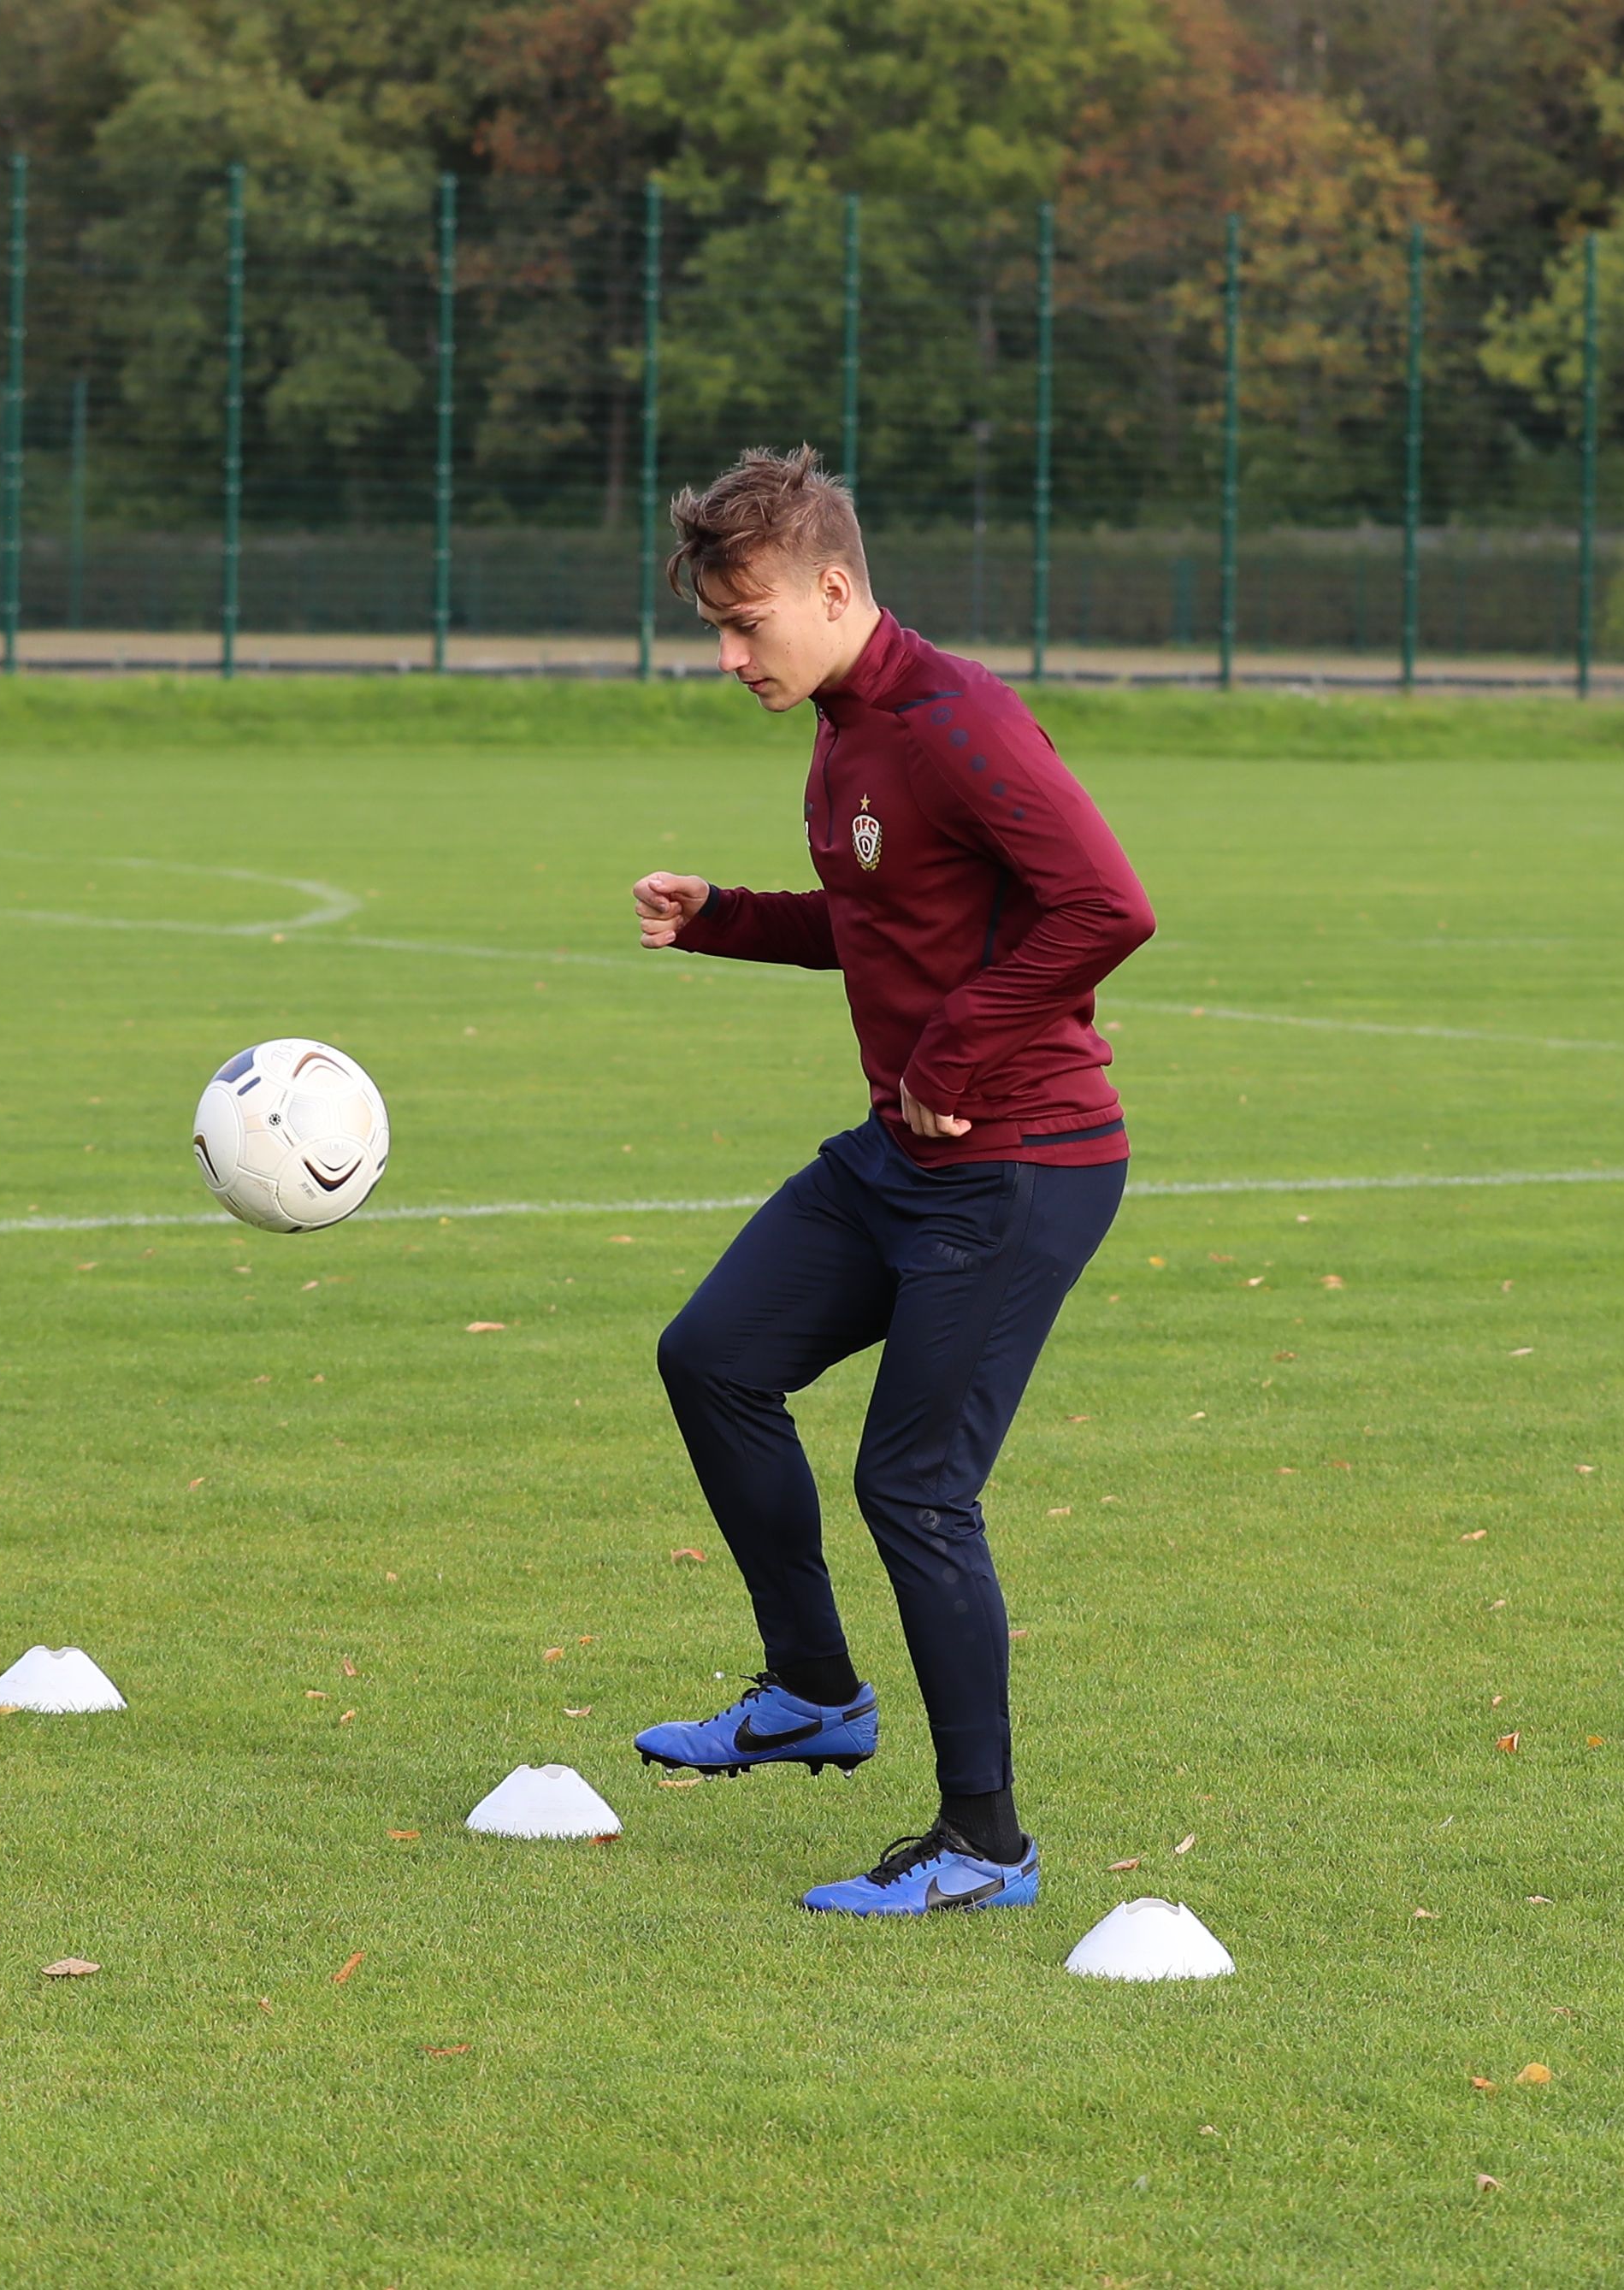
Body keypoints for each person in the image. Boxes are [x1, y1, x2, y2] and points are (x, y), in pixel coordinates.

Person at [626, 446, 1155, 1916]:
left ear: (834, 585)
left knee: (914, 1488)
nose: (729, 656)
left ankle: (984, 1841)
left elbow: (1106, 907)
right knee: (713, 1356)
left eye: (748, 623)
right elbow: (885, 916)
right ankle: (810, 1692)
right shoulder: (849, 725)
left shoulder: (955, 720)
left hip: (1021, 1166)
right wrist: (726, 917)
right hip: (903, 1156)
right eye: (716, 629)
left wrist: (959, 1048)